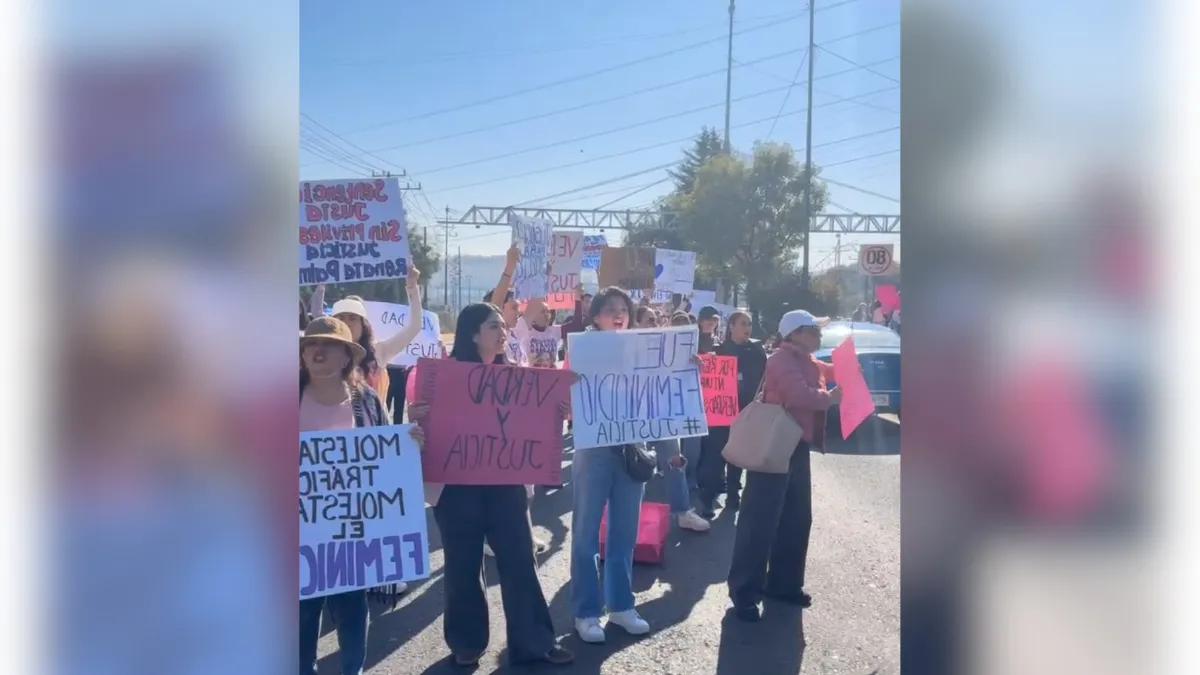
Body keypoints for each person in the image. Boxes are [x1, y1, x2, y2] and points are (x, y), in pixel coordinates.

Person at [407, 303, 575, 667]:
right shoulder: (442, 377)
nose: (502, 332)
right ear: (471, 334)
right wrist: (414, 416)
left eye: (503, 325)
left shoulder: (517, 379)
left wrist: (554, 413)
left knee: (519, 561)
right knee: (462, 565)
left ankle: (534, 642)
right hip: (456, 487)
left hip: (505, 485)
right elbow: (417, 428)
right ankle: (467, 643)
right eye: (492, 326)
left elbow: (536, 423)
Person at [299, 317, 426, 675]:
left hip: (352, 533)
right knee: (300, 619)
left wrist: (408, 442)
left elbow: (386, 457)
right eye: (310, 344)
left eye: (329, 345)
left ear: (346, 357)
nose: (317, 350)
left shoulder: (366, 400)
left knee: (352, 613)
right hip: (296, 533)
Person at [727, 309, 843, 623]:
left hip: (795, 446)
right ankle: (745, 593)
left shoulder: (807, 359)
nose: (819, 335)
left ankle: (784, 583)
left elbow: (828, 370)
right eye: (813, 330)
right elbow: (799, 396)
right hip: (774, 446)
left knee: (796, 518)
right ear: (794, 334)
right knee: (759, 522)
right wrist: (830, 398)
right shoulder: (780, 359)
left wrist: (849, 368)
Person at [570, 287, 653, 644]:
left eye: (624, 309)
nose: (618, 314)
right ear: (596, 316)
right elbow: (564, 399)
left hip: (631, 450)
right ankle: (586, 612)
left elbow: (661, 394)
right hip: (595, 451)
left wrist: (683, 369)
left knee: (624, 533)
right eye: (610, 309)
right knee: (586, 534)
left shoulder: (644, 350)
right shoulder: (580, 350)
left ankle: (621, 605)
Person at [634, 305, 710, 533]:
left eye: (657, 319)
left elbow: (679, 376)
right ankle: (631, 515)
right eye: (649, 320)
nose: (655, 324)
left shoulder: (668, 347)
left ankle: (683, 511)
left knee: (674, 460)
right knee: (633, 465)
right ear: (636, 323)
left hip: (661, 413)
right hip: (632, 416)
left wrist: (693, 366)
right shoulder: (625, 348)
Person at [310, 269, 425, 401]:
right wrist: (320, 287)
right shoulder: (325, 356)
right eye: (341, 318)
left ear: (363, 325)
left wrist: (412, 286)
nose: (347, 323)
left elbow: (415, 326)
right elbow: (317, 314)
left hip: (376, 421)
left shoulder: (379, 352)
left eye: (352, 318)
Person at [701, 310, 768, 512]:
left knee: (737, 456)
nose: (747, 328)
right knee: (716, 456)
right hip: (721, 413)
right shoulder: (718, 351)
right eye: (742, 323)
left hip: (746, 411)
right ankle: (708, 498)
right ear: (731, 326)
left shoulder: (757, 352)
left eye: (749, 324)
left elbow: (766, 378)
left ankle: (733, 495)